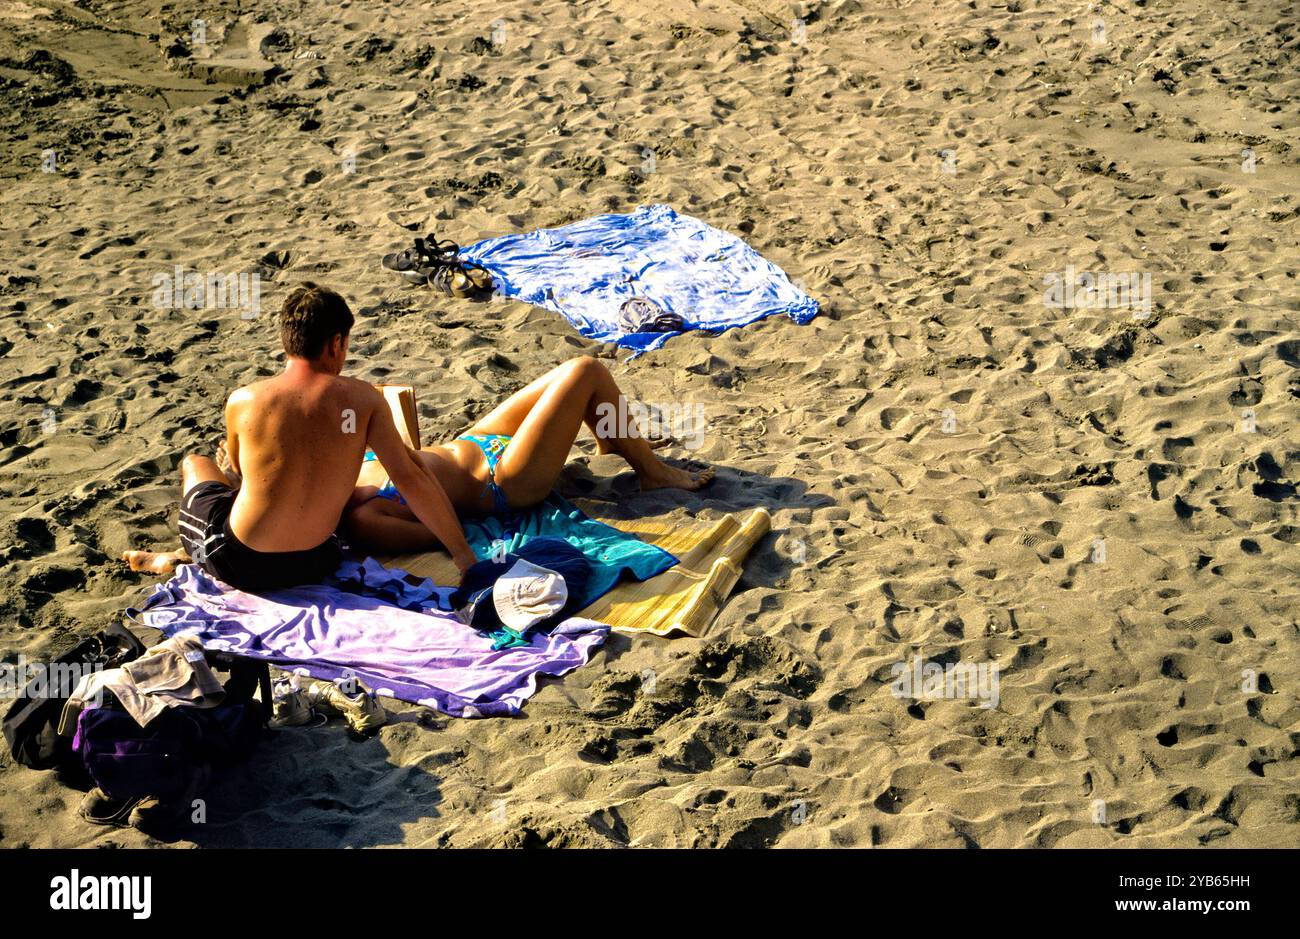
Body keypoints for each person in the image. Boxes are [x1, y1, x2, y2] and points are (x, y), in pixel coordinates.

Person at [123, 283, 478, 589]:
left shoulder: (244, 401)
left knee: (195, 463)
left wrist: (232, 473)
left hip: (240, 564)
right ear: (336, 343)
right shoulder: (364, 400)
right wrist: (463, 556)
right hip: (316, 560)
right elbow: (410, 477)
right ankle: (181, 556)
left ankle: (185, 555)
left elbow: (246, 482)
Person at [343, 355, 714, 553]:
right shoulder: (365, 520)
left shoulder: (345, 471)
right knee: (586, 370)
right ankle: (652, 473)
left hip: (476, 439)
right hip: (501, 478)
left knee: (578, 374)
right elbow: (439, 533)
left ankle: (613, 443)